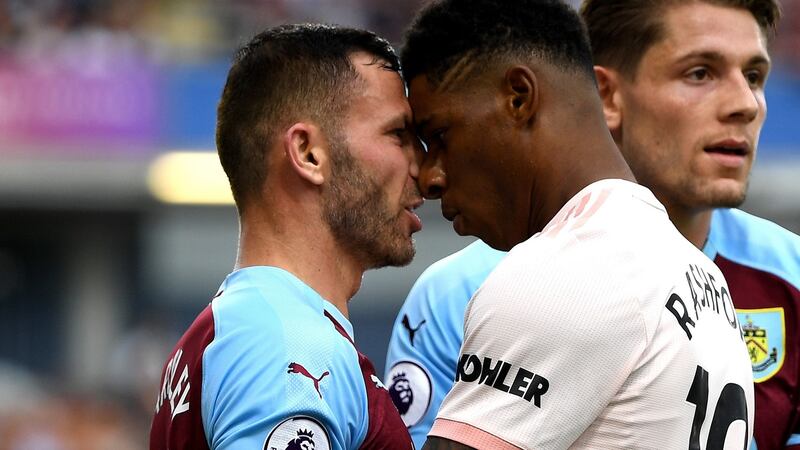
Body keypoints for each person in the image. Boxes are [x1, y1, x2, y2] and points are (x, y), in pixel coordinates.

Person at [386, 0, 799, 448]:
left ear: (520, 97)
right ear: (605, 94)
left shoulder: (565, 269)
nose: (745, 105)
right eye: (699, 73)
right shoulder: (704, 278)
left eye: (440, 136)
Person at [149, 24, 423, 450]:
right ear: (309, 154)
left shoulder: (227, 332)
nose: (424, 166)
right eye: (398, 135)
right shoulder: (286, 346)